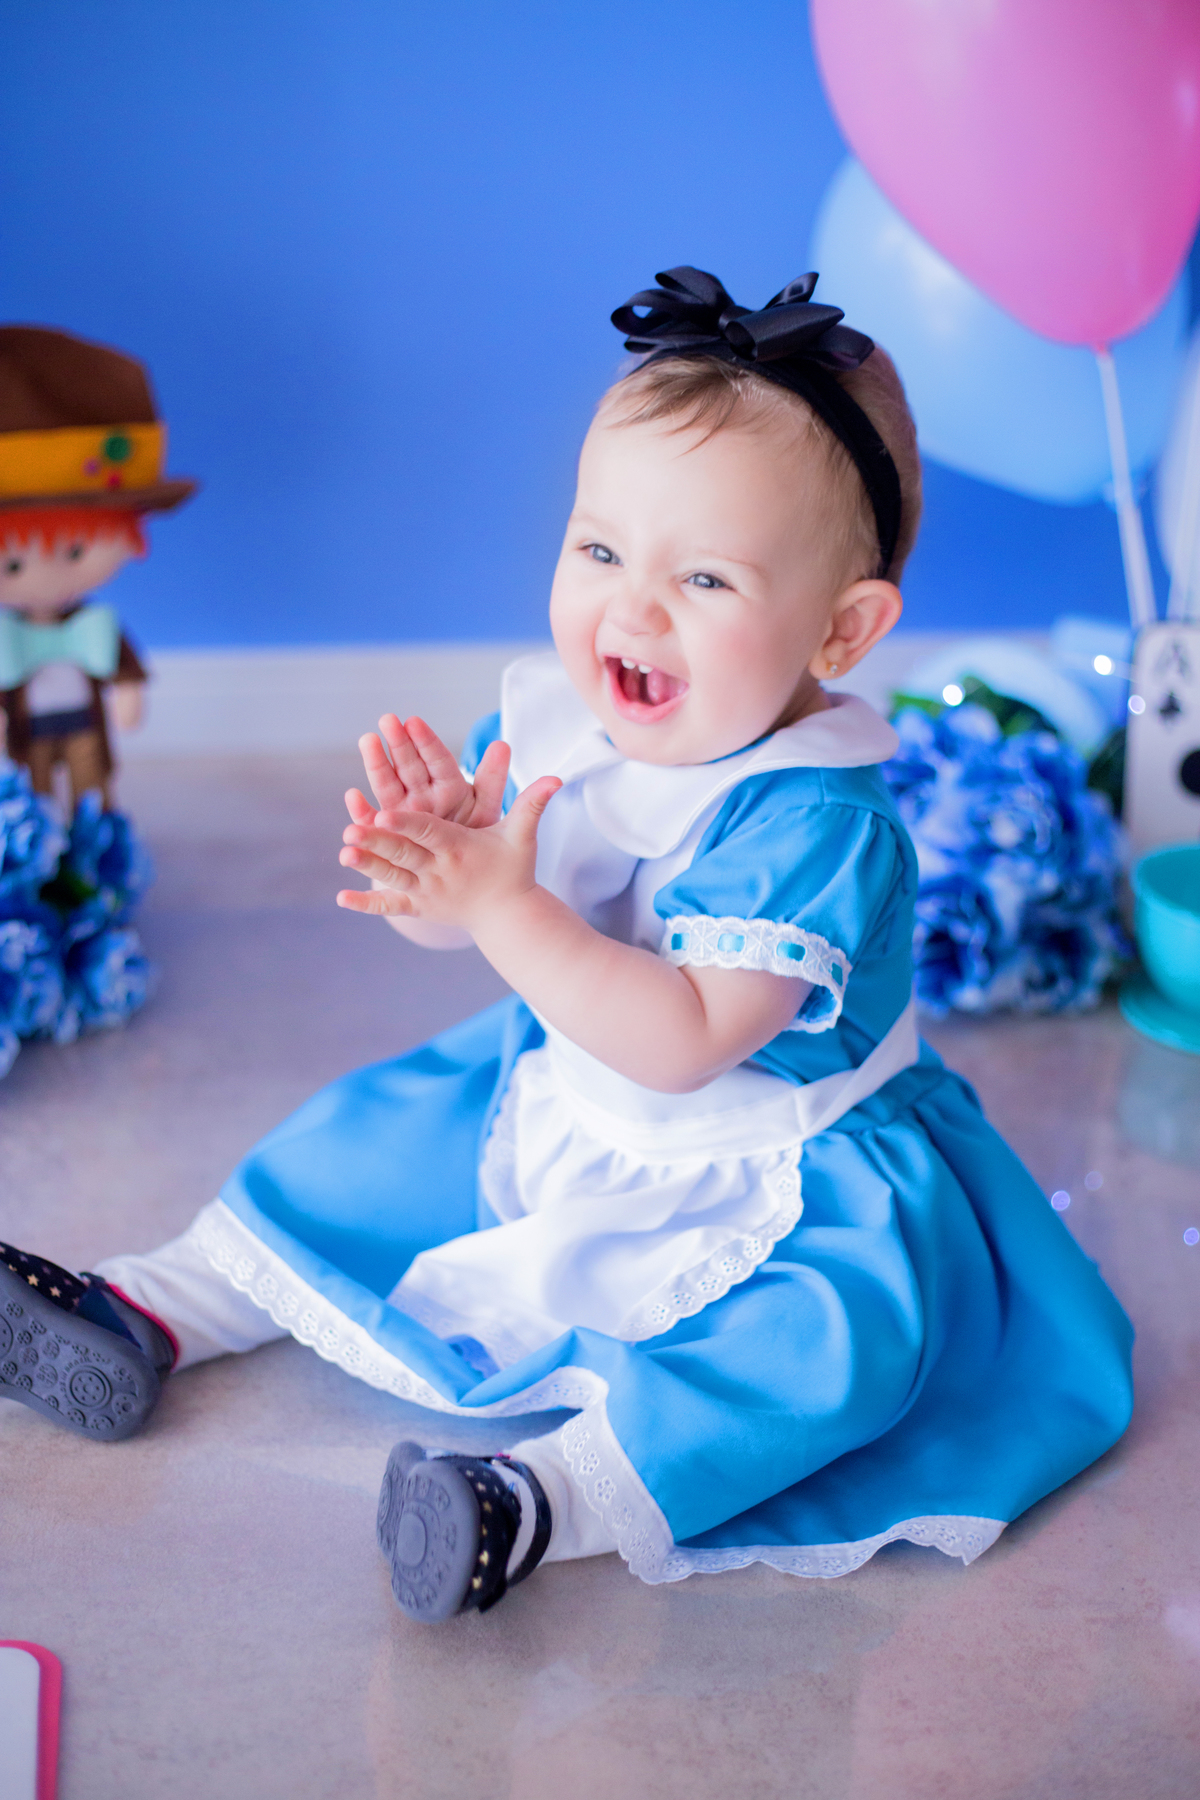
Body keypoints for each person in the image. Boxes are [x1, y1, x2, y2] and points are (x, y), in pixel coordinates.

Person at [0, 268, 1133, 1624]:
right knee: (364, 1147)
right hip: (572, 1089)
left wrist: (505, 909)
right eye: (600, 551)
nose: (632, 612)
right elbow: (456, 924)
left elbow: (686, 1041)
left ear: (842, 628)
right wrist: (436, 871)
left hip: (782, 1169)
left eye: (703, 577)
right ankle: (154, 1304)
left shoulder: (820, 821)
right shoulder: (560, 723)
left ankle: (536, 1500)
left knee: (813, 1361)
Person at [0, 325, 196, 812]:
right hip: (27, 730)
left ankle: (96, 838)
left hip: (86, 725)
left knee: (92, 787)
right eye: (15, 562)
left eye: (73, 552)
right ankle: (40, 840)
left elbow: (123, 667)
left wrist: (129, 689)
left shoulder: (95, 627)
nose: (43, 575)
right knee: (33, 792)